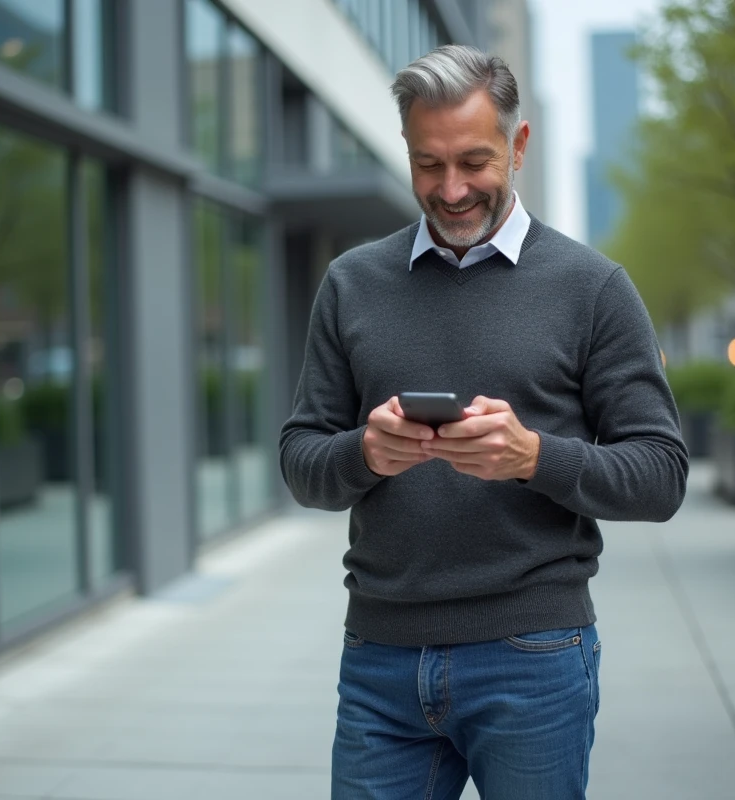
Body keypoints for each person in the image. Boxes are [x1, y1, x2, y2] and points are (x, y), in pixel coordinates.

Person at [278, 44, 688, 800]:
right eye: (428, 165)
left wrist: (534, 456)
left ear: (518, 144)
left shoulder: (592, 288)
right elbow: (301, 458)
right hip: (381, 658)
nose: (452, 188)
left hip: (533, 653)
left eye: (474, 160)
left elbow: (661, 477)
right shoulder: (351, 284)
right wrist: (367, 452)